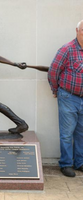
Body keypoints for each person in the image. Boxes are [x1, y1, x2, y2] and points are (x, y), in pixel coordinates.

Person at [48, 20, 83, 177]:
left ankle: (80, 162)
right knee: (67, 133)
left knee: (81, 133)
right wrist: (55, 90)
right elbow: (53, 71)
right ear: (77, 30)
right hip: (68, 97)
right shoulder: (67, 49)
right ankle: (66, 164)